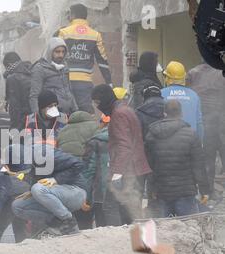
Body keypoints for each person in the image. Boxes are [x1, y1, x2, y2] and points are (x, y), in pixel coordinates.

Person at [92, 84, 152, 225]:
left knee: (110, 206)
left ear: (104, 99)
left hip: (127, 171)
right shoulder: (126, 110)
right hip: (137, 168)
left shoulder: (118, 114)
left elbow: (124, 146)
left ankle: (117, 240)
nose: (96, 106)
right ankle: (135, 240)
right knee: (130, 210)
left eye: (97, 102)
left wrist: (117, 173)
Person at [145, 100, 210, 217]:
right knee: (189, 229)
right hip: (185, 192)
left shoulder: (152, 135)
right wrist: (204, 191)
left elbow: (149, 166)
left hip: (161, 193)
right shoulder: (191, 134)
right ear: (181, 114)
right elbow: (198, 166)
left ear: (164, 113)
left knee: (163, 231)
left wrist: (150, 192)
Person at [12, 145, 87, 236]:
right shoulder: (32, 159)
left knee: (37, 189)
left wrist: (56, 180)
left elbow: (78, 164)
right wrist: (31, 192)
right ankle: (57, 224)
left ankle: (69, 222)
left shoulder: (46, 153)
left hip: (76, 191)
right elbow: (38, 177)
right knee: (18, 205)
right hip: (60, 193)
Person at [57, 4, 112, 113]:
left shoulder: (63, 33)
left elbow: (55, 57)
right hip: (85, 83)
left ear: (72, 15)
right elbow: (102, 61)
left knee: (65, 113)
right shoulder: (95, 35)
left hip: (65, 81)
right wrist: (109, 82)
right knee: (86, 114)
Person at [187, 63, 225, 200]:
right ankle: (210, 192)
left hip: (207, 121)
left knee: (208, 159)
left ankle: (209, 192)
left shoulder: (193, 72)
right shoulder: (221, 72)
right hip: (219, 120)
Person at [30, 37, 77, 115]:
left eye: (63, 52)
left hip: (68, 113)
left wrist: (76, 110)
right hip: (51, 114)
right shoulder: (40, 68)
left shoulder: (64, 67)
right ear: (50, 52)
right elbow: (34, 95)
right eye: (57, 52)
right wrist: (37, 116)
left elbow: (69, 90)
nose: (61, 55)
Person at [162, 61, 204, 142]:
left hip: (168, 141)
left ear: (167, 78)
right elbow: (199, 123)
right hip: (190, 141)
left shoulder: (161, 94)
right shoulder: (194, 95)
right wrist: (200, 142)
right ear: (184, 77)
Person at [83, 115, 110, 228]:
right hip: (123, 195)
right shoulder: (128, 139)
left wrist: (86, 197)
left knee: (102, 230)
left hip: (100, 195)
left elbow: (89, 172)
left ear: (102, 124)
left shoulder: (96, 141)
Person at [3, 52, 33, 130]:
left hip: (22, 122)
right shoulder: (32, 71)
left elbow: (14, 107)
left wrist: (14, 128)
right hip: (36, 119)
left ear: (9, 65)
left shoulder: (13, 78)